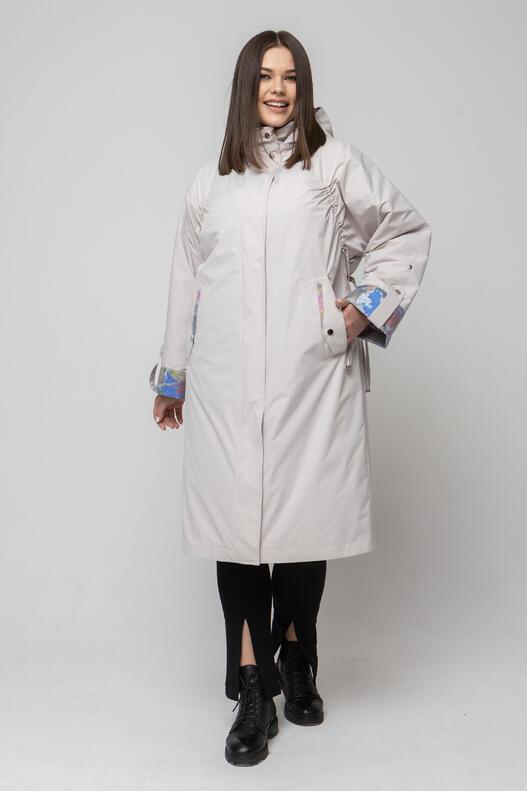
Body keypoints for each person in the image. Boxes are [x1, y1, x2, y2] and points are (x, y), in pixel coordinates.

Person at [149, 30, 432, 767]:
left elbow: (403, 231)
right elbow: (186, 278)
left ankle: (298, 655)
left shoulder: (331, 165)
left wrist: (356, 313)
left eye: (291, 77)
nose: (278, 89)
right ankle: (253, 687)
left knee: (304, 524)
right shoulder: (211, 183)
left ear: (303, 88)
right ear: (245, 86)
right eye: (266, 76)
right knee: (234, 532)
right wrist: (173, 374)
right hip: (225, 383)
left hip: (311, 377)